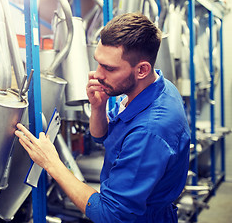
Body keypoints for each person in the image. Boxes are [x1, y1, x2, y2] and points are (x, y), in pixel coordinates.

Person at [15, 13, 190, 223]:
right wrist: (99, 107)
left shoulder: (150, 132)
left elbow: (110, 215)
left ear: (142, 69)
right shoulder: (153, 86)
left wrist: (52, 163)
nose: (97, 74)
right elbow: (105, 138)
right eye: (98, 62)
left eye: (109, 68)